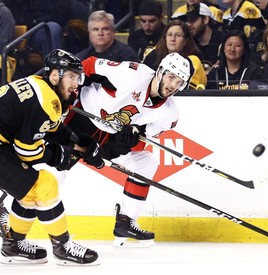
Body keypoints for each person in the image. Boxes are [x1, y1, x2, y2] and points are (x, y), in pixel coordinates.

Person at [0, 49, 105, 265]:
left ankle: (13, 245)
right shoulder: (44, 100)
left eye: (77, 77)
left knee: (29, 191)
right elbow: (28, 152)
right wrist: (58, 156)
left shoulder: (38, 85)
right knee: (45, 184)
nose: (76, 83)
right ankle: (63, 247)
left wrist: (77, 144)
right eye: (71, 76)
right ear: (54, 75)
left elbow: (49, 128)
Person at [63, 53, 193, 247]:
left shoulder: (169, 114)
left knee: (146, 162)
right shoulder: (133, 74)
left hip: (109, 135)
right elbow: (89, 65)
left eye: (179, 82)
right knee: (53, 170)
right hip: (82, 116)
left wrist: (129, 140)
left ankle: (126, 222)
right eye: (171, 77)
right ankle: (7, 211)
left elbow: (142, 139)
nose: (173, 85)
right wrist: (65, 92)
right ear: (160, 72)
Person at [143, 19, 207, 90]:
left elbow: (190, 92)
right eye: (170, 35)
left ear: (186, 40)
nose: (172, 39)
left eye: (178, 35)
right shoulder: (152, 56)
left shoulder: (192, 61)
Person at [183, 2, 225, 73]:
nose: (189, 24)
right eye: (187, 20)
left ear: (205, 19)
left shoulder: (223, 41)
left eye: (193, 20)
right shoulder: (188, 42)